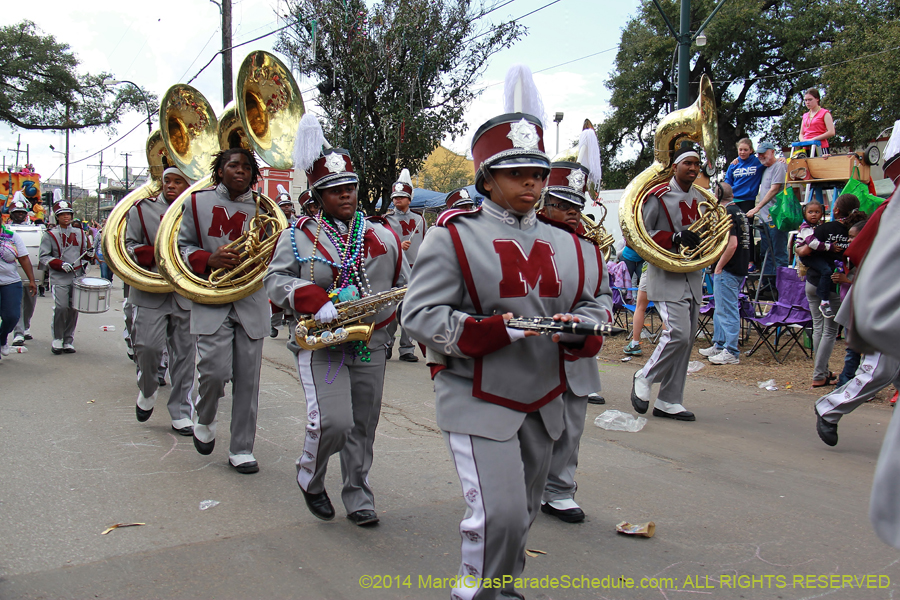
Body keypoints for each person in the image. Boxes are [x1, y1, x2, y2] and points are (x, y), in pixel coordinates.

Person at [401, 98, 607, 598]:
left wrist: (582, 326)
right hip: (476, 393)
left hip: (545, 396)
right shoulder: (453, 236)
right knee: (501, 515)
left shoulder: (574, 245)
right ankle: (475, 592)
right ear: (487, 177)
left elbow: (596, 303)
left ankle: (503, 587)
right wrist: (491, 330)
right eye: (516, 173)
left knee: (524, 514)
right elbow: (419, 315)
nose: (532, 184)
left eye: (538, 173)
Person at [265, 117, 409, 526]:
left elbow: (405, 285)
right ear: (318, 194)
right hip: (324, 344)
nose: (345, 195)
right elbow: (274, 280)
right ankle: (310, 476)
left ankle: (358, 494)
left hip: (372, 343)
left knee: (363, 425)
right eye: (334, 190)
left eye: (350, 187)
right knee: (334, 422)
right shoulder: (298, 235)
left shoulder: (384, 235)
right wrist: (305, 296)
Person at [178, 148, 270, 474]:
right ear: (220, 169)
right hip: (212, 296)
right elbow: (181, 246)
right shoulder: (196, 202)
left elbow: (276, 253)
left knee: (249, 381)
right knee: (214, 373)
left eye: (247, 167)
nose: (241, 171)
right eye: (233, 165)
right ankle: (204, 416)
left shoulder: (264, 208)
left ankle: (242, 448)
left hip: (251, 301)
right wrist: (208, 260)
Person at [537, 158, 613, 523]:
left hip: (575, 348)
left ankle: (559, 489)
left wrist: (593, 322)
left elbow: (603, 296)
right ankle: (524, 486)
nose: (572, 213)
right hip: (531, 348)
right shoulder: (526, 237)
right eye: (564, 205)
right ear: (545, 201)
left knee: (571, 424)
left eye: (577, 206)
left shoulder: (590, 249)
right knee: (531, 426)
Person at [630, 145, 706, 422]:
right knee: (678, 333)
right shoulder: (657, 195)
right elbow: (638, 234)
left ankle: (669, 400)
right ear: (675, 166)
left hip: (693, 275)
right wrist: (673, 238)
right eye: (688, 163)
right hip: (665, 273)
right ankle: (644, 375)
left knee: (686, 343)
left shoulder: (701, 197)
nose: (694, 168)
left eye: (697, 164)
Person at [126, 166, 197, 436]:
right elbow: (128, 244)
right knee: (146, 347)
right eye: (167, 180)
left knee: (185, 356)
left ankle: (181, 411)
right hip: (149, 291)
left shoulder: (196, 210)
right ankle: (147, 388)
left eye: (178, 181)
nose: (171, 186)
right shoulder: (141, 209)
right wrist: (152, 254)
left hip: (185, 293)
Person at [795, 194, 864, 388]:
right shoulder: (857, 232)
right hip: (833, 283)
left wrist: (800, 250)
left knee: (819, 327)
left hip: (812, 282)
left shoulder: (824, 229)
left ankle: (822, 371)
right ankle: (819, 373)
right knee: (830, 331)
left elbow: (803, 250)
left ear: (835, 210)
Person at [698, 182, 749, 365]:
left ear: (717, 197)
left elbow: (733, 243)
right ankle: (719, 345)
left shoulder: (727, 213)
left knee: (727, 311)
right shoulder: (739, 212)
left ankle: (731, 350)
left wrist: (719, 266)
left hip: (729, 268)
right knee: (720, 309)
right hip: (736, 267)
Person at [38, 194, 92, 355]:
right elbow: (44, 256)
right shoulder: (50, 234)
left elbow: (85, 254)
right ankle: (57, 337)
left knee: (74, 308)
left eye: (68, 213)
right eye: (62, 214)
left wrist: (89, 254)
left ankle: (68, 339)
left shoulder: (81, 233)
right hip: (59, 276)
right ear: (57, 217)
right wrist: (60, 264)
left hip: (77, 275)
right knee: (61, 307)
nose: (66, 216)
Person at [384, 169, 426, 362]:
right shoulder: (386, 220)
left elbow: (425, 244)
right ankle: (386, 344)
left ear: (409, 198)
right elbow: (382, 245)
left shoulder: (420, 220)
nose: (397, 200)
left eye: (401, 197)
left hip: (415, 270)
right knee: (392, 311)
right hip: (395, 269)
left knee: (410, 309)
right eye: (395, 197)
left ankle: (407, 349)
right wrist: (398, 245)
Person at [745, 141, 789, 277]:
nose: (761, 156)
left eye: (764, 153)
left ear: (772, 152)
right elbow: (745, 158)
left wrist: (756, 207)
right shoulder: (764, 167)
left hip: (776, 218)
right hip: (765, 218)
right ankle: (768, 285)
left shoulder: (779, 166)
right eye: (759, 154)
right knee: (766, 253)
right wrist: (737, 160)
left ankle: (781, 287)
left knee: (778, 253)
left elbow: (774, 189)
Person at [795, 200, 841, 317]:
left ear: (822, 214)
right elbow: (813, 244)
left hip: (814, 255)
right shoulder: (806, 228)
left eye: (817, 212)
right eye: (810, 212)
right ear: (805, 214)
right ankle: (824, 300)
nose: (813, 214)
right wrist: (830, 247)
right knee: (826, 270)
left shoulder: (819, 227)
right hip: (808, 256)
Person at [0, 221, 37, 358]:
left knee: (12, 316)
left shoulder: (12, 237)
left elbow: (24, 258)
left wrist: (32, 280)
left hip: (10, 282)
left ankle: (2, 338)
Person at [8, 200, 37, 346]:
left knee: (30, 303)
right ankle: (18, 333)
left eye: (22, 212)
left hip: (32, 272)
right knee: (17, 303)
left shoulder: (35, 229)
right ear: (11, 215)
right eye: (17, 213)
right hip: (13, 275)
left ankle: (26, 326)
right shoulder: (7, 230)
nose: (20, 215)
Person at [799, 88, 835, 154]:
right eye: (806, 100)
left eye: (810, 99)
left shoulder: (825, 113)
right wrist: (802, 140)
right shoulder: (805, 115)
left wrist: (813, 139)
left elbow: (831, 132)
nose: (807, 102)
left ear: (817, 99)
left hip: (820, 147)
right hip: (807, 147)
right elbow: (801, 133)